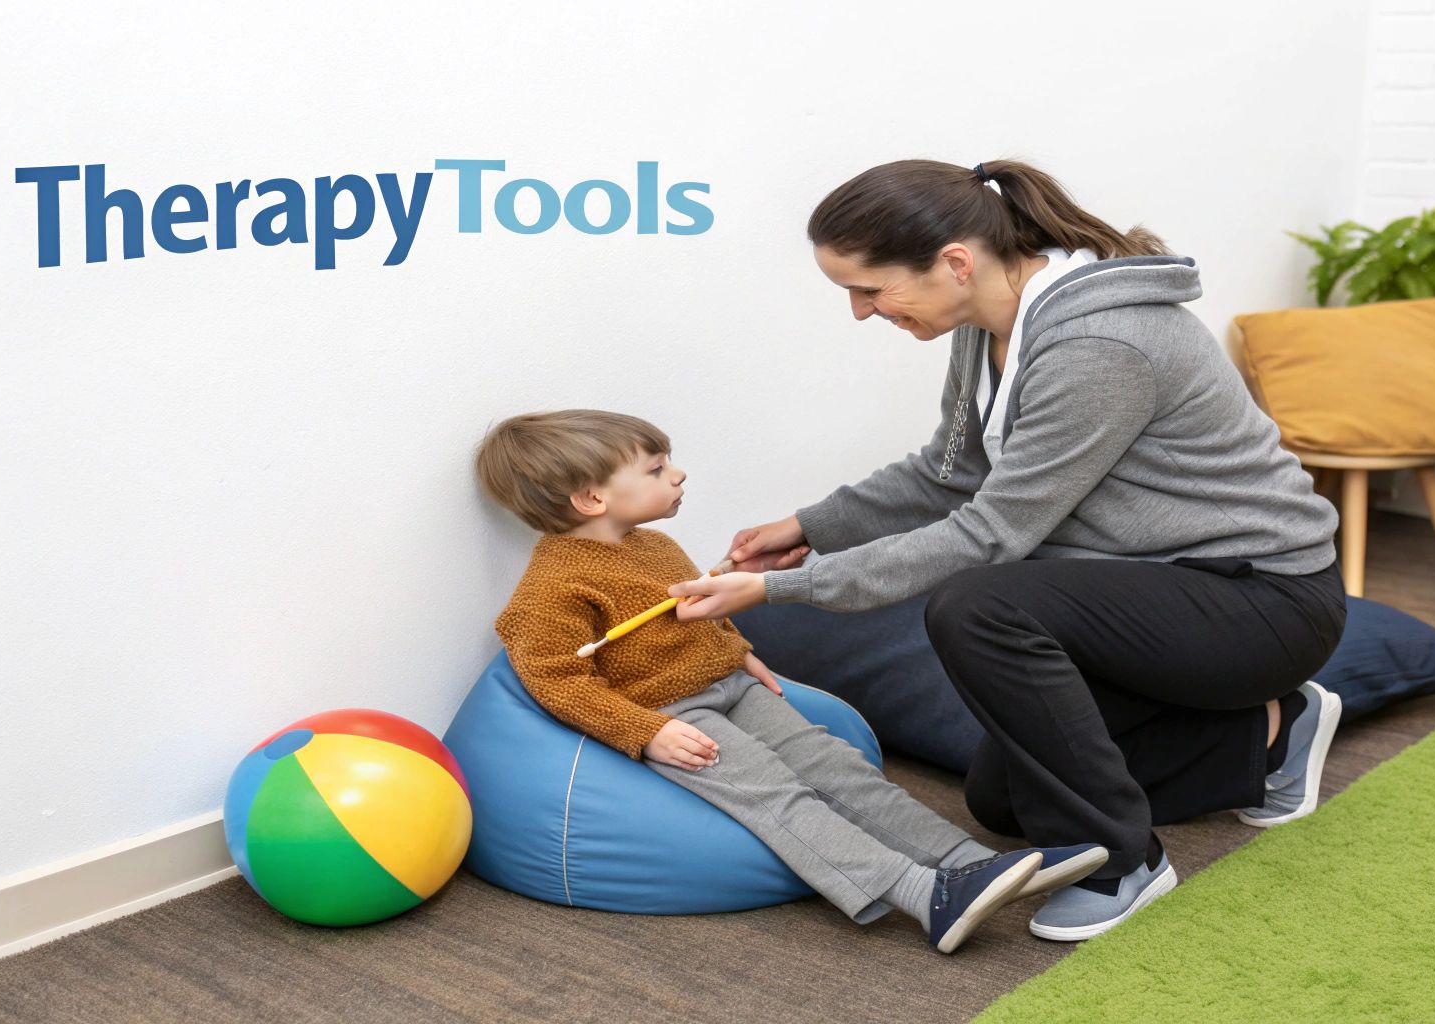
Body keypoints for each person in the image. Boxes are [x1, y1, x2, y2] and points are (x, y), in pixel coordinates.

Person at [667, 158, 1349, 941]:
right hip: (1140, 595)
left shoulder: (1101, 344)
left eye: (870, 289)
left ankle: (1122, 863)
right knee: (1004, 801)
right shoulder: (990, 327)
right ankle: (1271, 733)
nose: (859, 313)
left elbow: (990, 532)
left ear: (956, 263)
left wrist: (788, 590)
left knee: (979, 602)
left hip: (1259, 599)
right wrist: (809, 525)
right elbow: (948, 472)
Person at [473, 409, 1108, 953]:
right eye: (656, 467)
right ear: (591, 499)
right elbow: (555, 681)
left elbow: (687, 612)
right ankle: (925, 897)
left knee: (838, 768)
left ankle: (969, 864)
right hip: (670, 714)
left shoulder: (650, 544)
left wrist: (738, 651)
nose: (678, 474)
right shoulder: (552, 586)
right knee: (777, 795)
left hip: (731, 686)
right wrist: (647, 732)